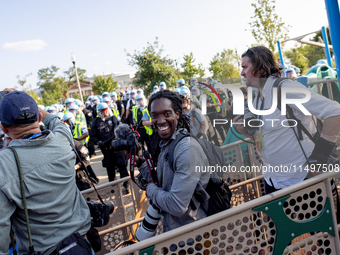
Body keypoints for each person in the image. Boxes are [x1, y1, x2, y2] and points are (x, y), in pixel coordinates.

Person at [236, 46, 340, 194]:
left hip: (303, 180)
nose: (242, 72)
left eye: (245, 67)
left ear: (260, 66)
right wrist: (247, 133)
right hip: (274, 180)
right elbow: (269, 136)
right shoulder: (258, 98)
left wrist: (320, 158)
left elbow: (335, 112)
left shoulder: (284, 88)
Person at [0, 90, 91, 254]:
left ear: (4, 128)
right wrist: (27, 100)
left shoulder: (4, 165)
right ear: (39, 118)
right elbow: (55, 120)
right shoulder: (63, 140)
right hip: (82, 244)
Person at [134, 90, 210, 232]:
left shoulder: (186, 149)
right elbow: (163, 184)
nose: (161, 120)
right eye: (155, 116)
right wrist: (140, 162)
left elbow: (177, 205)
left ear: (177, 113)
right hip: (175, 230)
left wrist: (149, 189)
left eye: (166, 114)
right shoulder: (168, 144)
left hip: (194, 235)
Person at [90, 103, 130, 193]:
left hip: (117, 148)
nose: (106, 112)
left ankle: (126, 186)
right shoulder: (96, 122)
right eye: (103, 110)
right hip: (106, 150)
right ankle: (114, 188)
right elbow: (92, 136)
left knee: (122, 167)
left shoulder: (114, 118)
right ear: (99, 112)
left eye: (106, 110)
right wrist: (98, 142)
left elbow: (120, 130)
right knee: (110, 169)